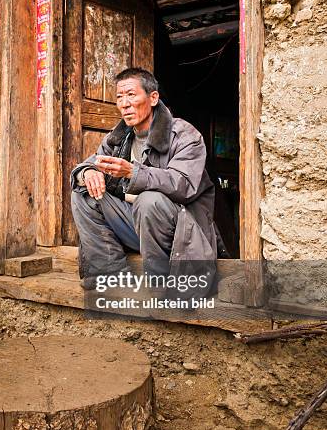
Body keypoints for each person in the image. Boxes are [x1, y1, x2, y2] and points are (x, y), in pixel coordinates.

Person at [71, 68, 218, 295]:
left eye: (131, 95)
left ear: (153, 98)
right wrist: (88, 172)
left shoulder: (184, 134)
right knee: (84, 193)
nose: (125, 104)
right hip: (137, 226)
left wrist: (133, 172)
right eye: (120, 97)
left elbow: (184, 185)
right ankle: (110, 274)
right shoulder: (118, 137)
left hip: (179, 231)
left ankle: (158, 281)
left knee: (149, 200)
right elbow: (89, 164)